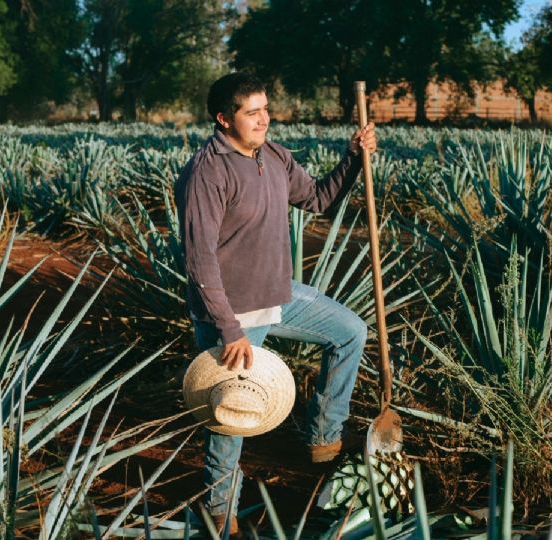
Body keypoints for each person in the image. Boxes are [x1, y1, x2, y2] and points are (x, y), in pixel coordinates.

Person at [174, 72, 377, 536]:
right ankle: (219, 516)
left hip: (277, 293)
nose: (264, 119)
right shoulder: (208, 171)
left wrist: (353, 157)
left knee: (349, 331)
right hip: (233, 312)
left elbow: (320, 199)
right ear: (224, 119)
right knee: (230, 420)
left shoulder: (272, 155)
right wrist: (229, 330)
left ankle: (323, 435)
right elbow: (199, 259)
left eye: (266, 108)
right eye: (252, 112)